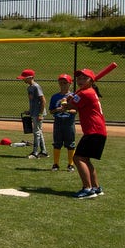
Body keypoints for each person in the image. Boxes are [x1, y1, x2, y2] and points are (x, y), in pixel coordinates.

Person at [65, 67, 109, 198]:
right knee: (85, 159)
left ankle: (87, 188)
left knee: (77, 158)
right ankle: (96, 188)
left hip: (93, 131)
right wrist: (71, 99)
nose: (80, 80)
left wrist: (68, 101)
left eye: (84, 78)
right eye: (79, 78)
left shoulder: (86, 93)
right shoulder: (87, 92)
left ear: (91, 80)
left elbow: (71, 105)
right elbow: (74, 104)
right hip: (98, 131)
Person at [48, 73, 78, 171]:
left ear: (69, 84)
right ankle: (56, 164)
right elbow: (51, 111)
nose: (63, 85)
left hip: (69, 122)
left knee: (70, 144)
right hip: (58, 122)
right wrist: (58, 110)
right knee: (57, 143)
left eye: (65, 83)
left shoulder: (74, 96)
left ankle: (71, 164)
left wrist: (67, 110)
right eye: (61, 83)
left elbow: (76, 110)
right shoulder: (55, 97)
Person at [18, 69, 48, 159]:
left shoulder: (36, 86)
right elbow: (33, 101)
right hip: (34, 112)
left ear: (30, 77)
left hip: (38, 113)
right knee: (39, 132)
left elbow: (43, 100)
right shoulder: (29, 87)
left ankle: (35, 152)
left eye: (24, 78)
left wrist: (40, 114)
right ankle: (44, 152)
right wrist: (30, 111)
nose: (23, 80)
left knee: (37, 132)